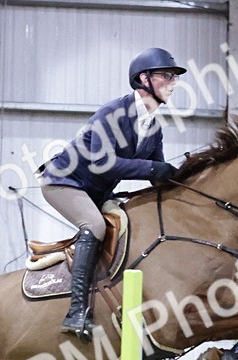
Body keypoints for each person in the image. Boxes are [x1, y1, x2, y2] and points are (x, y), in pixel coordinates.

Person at [40, 47, 186, 339]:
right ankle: (76, 312)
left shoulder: (154, 126)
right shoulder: (113, 112)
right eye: (166, 75)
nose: (173, 82)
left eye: (174, 77)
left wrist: (183, 181)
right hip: (64, 182)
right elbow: (102, 161)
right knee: (93, 226)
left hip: (97, 190)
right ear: (143, 78)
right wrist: (155, 169)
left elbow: (155, 173)